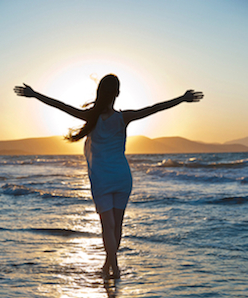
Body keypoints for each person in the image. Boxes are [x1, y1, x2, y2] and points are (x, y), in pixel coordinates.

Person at [14, 74, 203, 279]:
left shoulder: (91, 117)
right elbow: (154, 108)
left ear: (99, 93)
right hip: (122, 176)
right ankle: (108, 265)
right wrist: (182, 98)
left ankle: (115, 269)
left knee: (108, 226)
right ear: (118, 93)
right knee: (117, 225)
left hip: (102, 178)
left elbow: (60, 106)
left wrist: (34, 94)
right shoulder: (123, 118)